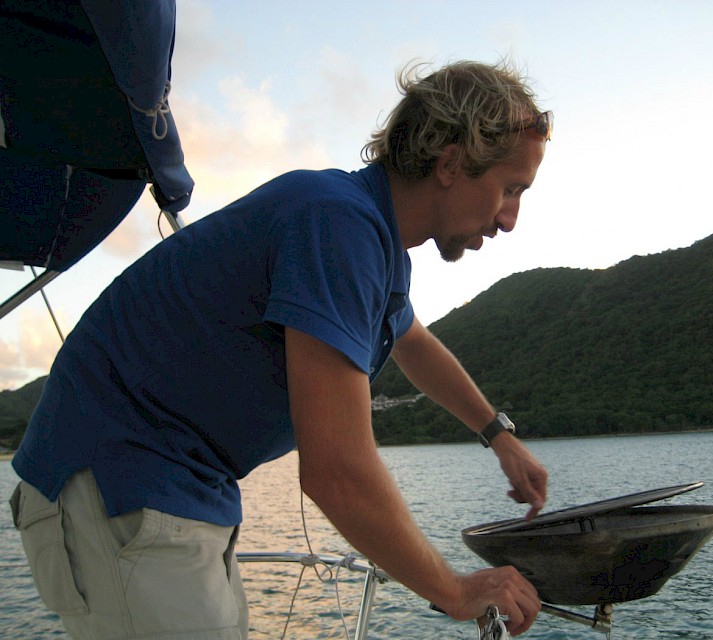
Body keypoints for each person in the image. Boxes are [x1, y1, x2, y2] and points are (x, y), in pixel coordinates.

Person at [10, 59, 552, 639]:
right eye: (509, 188)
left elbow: (413, 342)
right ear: (449, 163)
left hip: (178, 490)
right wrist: (456, 590)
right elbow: (336, 471)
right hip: (120, 480)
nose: (510, 218)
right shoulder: (337, 223)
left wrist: (498, 434)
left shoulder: (371, 240)